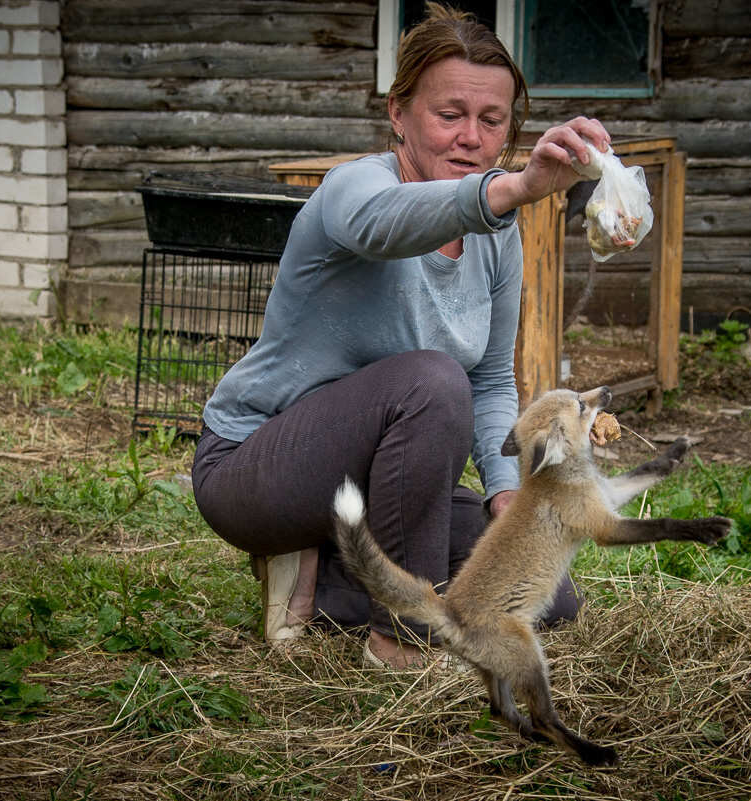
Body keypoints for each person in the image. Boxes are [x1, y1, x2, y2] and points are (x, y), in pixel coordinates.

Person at [191, 3, 612, 668]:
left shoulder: (496, 240)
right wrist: (514, 188)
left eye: (491, 120)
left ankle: (322, 578)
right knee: (429, 380)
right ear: (398, 113)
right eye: (450, 114)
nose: (470, 137)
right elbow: (382, 225)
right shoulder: (355, 188)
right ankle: (402, 644)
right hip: (255, 470)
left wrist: (505, 490)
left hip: (381, 485)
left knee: (546, 594)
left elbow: (492, 379)